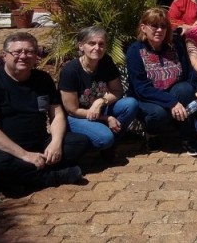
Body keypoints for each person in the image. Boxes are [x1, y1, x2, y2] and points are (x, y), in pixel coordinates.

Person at [0, 32, 89, 191]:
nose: (24, 56)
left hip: (38, 142)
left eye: (29, 52)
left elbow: (57, 114)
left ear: (36, 56)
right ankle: (55, 176)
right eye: (17, 52)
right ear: (4, 56)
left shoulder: (43, 79)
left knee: (79, 142)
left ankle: (23, 178)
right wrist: (25, 155)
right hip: (3, 148)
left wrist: (55, 143)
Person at [126, 8, 197, 156]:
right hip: (147, 98)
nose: (159, 30)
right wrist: (172, 103)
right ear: (143, 28)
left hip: (173, 92)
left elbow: (189, 73)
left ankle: (187, 137)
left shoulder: (174, 46)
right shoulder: (135, 51)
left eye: (163, 26)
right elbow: (141, 88)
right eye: (154, 26)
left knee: (185, 89)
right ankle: (152, 134)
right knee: (159, 114)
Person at [59, 26, 139, 160]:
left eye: (101, 44)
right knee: (104, 138)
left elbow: (117, 91)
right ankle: (99, 144)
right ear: (81, 46)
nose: (97, 48)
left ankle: (109, 147)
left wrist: (99, 102)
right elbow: (72, 110)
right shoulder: (70, 71)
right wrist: (106, 118)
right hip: (76, 117)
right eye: (92, 43)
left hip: (99, 109)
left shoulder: (106, 61)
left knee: (130, 104)